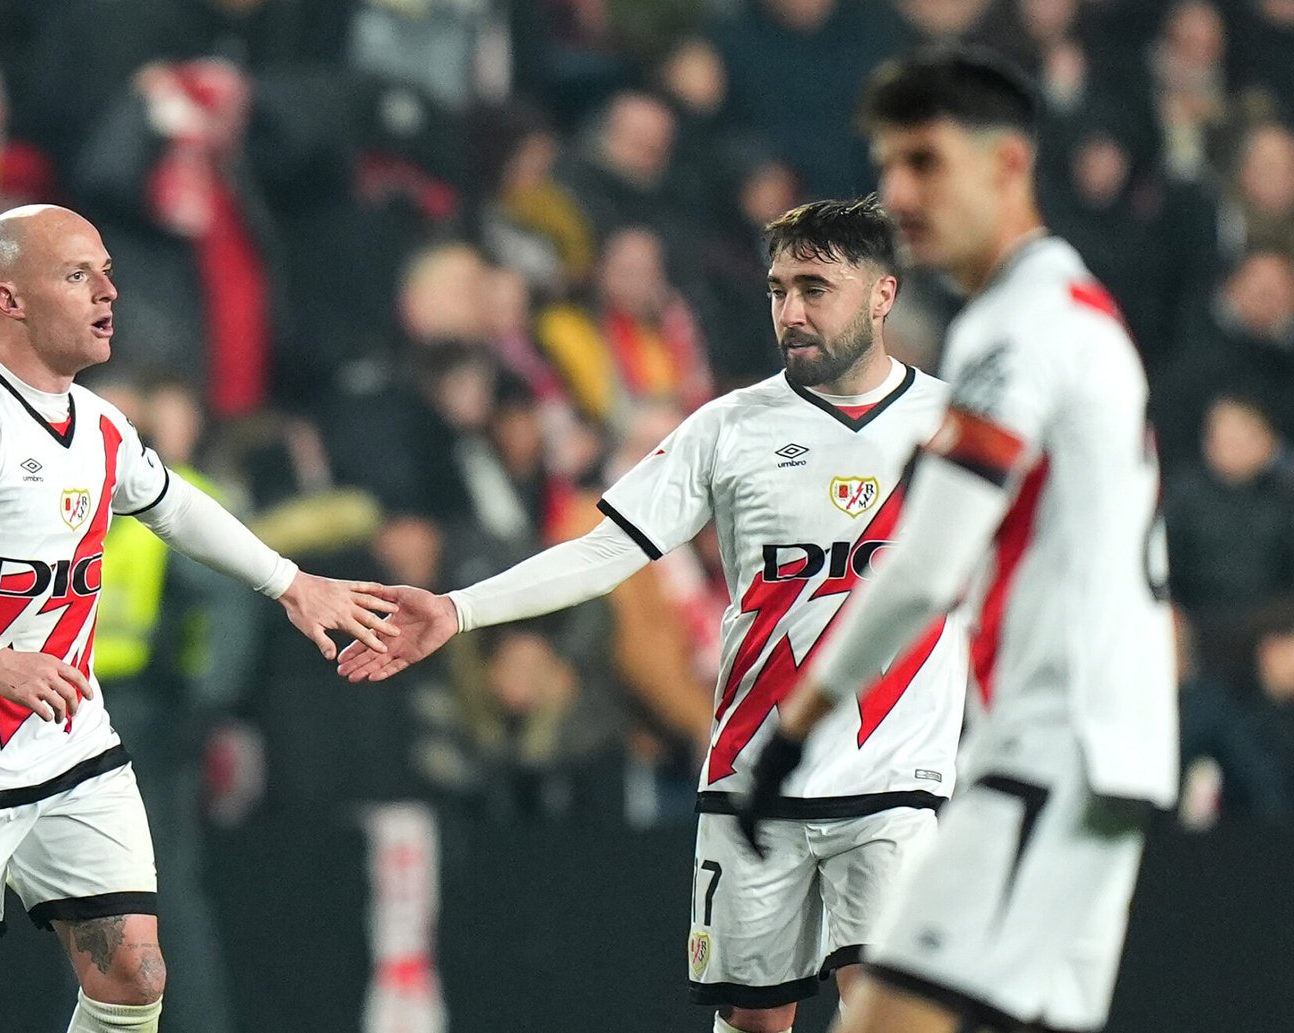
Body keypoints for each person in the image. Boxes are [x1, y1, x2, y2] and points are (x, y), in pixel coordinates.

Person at [338, 197, 968, 1033]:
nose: (791, 311)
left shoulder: (961, 428)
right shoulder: (729, 427)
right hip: (753, 781)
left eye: (815, 287)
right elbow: (604, 552)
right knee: (751, 1023)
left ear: (883, 295)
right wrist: (458, 610)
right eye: (779, 289)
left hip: (894, 784)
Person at [0, 203, 401, 1033]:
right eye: (78, 275)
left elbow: (173, 504)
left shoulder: (99, 424)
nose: (110, 290)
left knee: (135, 974)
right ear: (10, 300)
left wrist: (291, 583)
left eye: (107, 270)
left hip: (71, 739)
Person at [735, 50, 1179, 1033]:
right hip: (1105, 743)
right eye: (888, 165)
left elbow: (926, 563)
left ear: (1006, 164)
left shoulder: (1016, 327)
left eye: (925, 162)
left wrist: (797, 723)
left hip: (1054, 743)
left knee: (886, 1021)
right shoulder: (1078, 313)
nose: (898, 193)